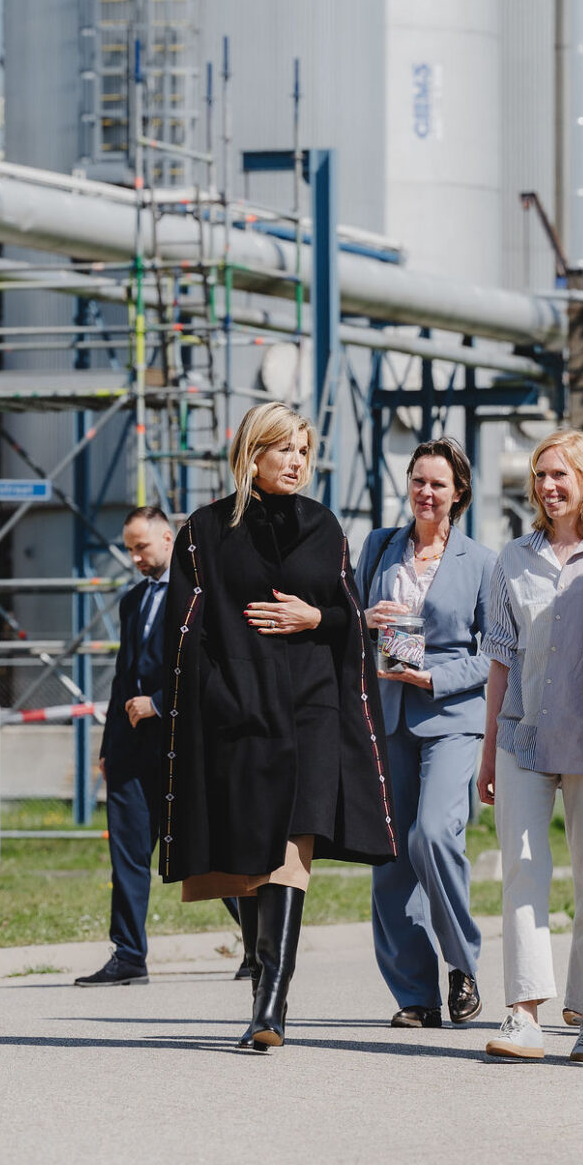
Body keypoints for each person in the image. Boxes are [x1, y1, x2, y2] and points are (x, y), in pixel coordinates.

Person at [158, 401, 396, 1050]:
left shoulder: (323, 525)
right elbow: (184, 629)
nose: (296, 461)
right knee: (251, 856)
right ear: (252, 452)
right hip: (239, 711)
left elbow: (350, 615)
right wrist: (214, 696)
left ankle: (271, 1005)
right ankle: (262, 977)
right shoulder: (204, 531)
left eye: (304, 450)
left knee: (292, 849)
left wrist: (316, 618)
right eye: (284, 448)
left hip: (313, 709)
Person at [478, 429, 583, 1064]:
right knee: (522, 871)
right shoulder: (513, 559)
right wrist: (488, 749)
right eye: (540, 475)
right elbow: (500, 660)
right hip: (524, 734)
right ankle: (523, 1015)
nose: (547, 486)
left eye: (559, 474)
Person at [357, 440, 496, 1029]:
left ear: (458, 492)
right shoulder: (379, 547)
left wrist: (435, 676)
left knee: (434, 834)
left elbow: (495, 653)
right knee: (391, 856)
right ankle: (415, 995)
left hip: (451, 717)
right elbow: (347, 617)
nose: (426, 492)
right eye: (418, 480)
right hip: (388, 715)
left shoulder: (481, 561)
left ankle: (462, 961)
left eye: (438, 483)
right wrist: (364, 620)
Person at [77, 506, 176, 987]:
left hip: (178, 745)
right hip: (130, 749)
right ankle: (130, 954)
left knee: (201, 853)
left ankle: (255, 946)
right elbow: (123, 677)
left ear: (168, 538)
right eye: (130, 549)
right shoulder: (134, 600)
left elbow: (207, 668)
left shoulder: (196, 596)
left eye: (142, 547)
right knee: (128, 854)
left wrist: (158, 704)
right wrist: (108, 745)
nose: (135, 557)